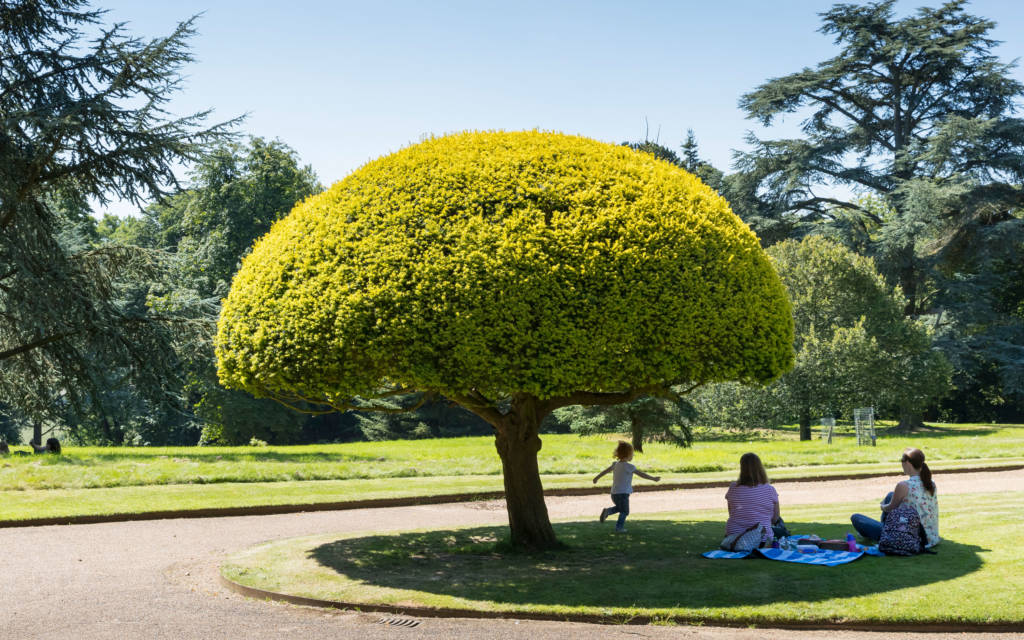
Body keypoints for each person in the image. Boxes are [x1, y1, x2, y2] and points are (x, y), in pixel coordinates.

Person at [851, 447, 939, 548]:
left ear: (908, 463)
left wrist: (882, 506)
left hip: (908, 537)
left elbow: (889, 508)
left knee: (856, 518)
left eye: (902, 460)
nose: (901, 463)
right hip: (930, 538)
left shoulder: (904, 485)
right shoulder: (931, 483)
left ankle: (885, 534)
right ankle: (884, 529)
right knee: (890, 495)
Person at [593, 441, 660, 533]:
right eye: (632, 454)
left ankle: (607, 512)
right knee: (624, 511)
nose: (633, 456)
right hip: (623, 494)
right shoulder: (629, 466)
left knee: (620, 508)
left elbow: (605, 471)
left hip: (614, 493)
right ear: (627, 455)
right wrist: (653, 479)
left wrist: (596, 478)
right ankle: (618, 527)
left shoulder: (615, 464)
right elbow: (642, 474)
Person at [725, 452, 785, 546]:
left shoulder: (733, 487)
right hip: (762, 538)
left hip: (735, 537)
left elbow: (731, 512)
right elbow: (775, 518)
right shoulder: (769, 489)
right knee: (781, 528)